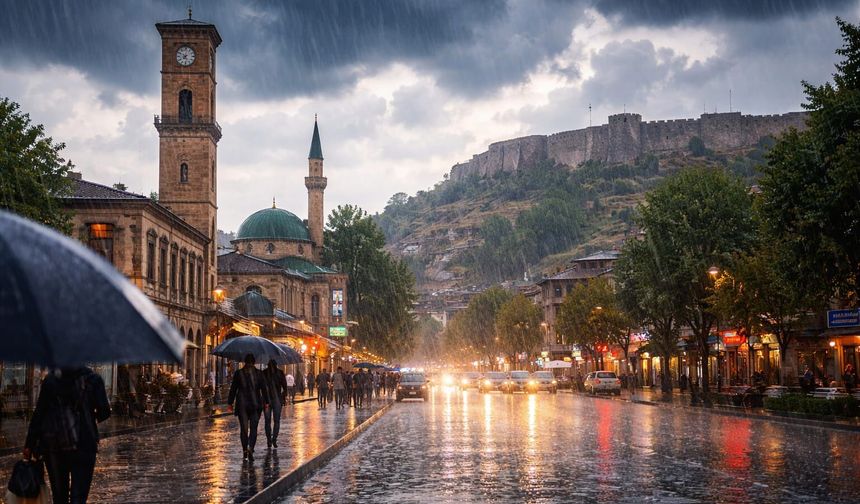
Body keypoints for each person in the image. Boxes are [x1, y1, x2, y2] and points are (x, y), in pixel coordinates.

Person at [24, 367, 111, 504]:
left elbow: (39, 413)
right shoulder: (93, 379)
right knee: (79, 497)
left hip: (54, 445)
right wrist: (88, 415)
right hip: (84, 443)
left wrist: (29, 444)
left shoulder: (50, 380)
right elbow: (105, 411)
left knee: (59, 496)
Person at [227, 354, 269, 460]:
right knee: (253, 428)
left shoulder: (238, 373)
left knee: (244, 429)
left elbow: (233, 389)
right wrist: (267, 402)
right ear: (254, 362)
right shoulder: (259, 373)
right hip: (255, 404)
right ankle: (251, 448)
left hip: (242, 404)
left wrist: (230, 403)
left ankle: (245, 450)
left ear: (245, 362)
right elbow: (264, 389)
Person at [262, 359, 287, 449]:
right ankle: (274, 439)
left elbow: (260, 387)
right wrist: (283, 397)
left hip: (267, 400)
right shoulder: (280, 373)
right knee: (276, 421)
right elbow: (285, 387)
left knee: (267, 421)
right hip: (276, 400)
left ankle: (269, 440)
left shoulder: (264, 373)